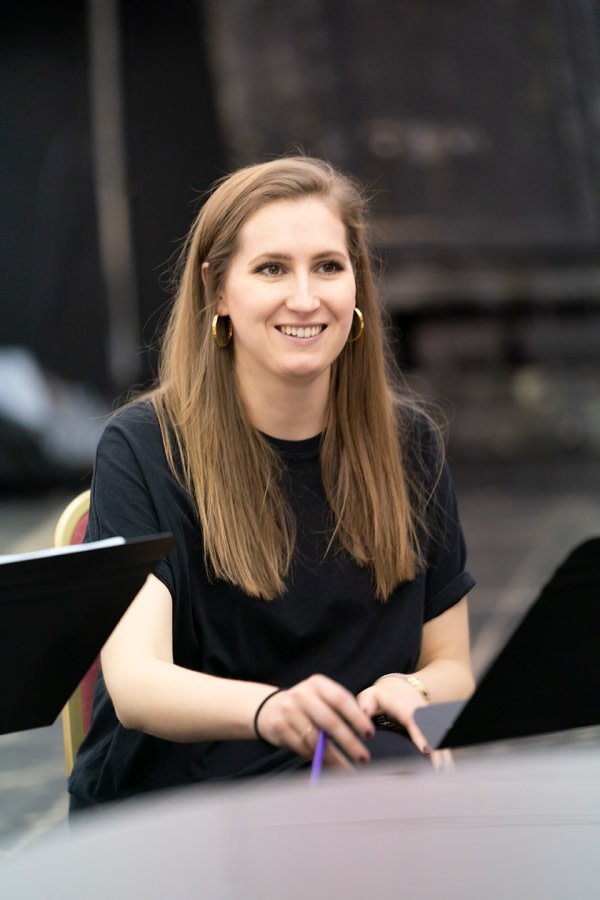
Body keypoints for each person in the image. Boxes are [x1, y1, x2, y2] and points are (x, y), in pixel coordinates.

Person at [69, 156, 475, 810]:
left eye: (329, 266)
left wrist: (417, 694)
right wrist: (273, 711)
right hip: (186, 800)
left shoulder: (409, 443)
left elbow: (453, 665)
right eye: (271, 269)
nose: (306, 298)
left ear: (358, 287)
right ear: (217, 291)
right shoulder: (143, 444)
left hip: (354, 778)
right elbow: (138, 683)